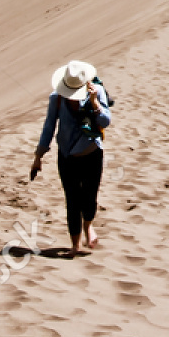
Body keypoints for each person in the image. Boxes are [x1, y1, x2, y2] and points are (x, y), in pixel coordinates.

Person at [31, 61, 111, 256]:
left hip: (92, 154)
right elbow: (49, 127)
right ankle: (75, 244)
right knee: (73, 200)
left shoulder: (97, 92)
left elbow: (106, 122)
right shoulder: (56, 99)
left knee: (90, 198)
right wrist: (38, 156)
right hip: (67, 157)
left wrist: (94, 104)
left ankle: (88, 226)